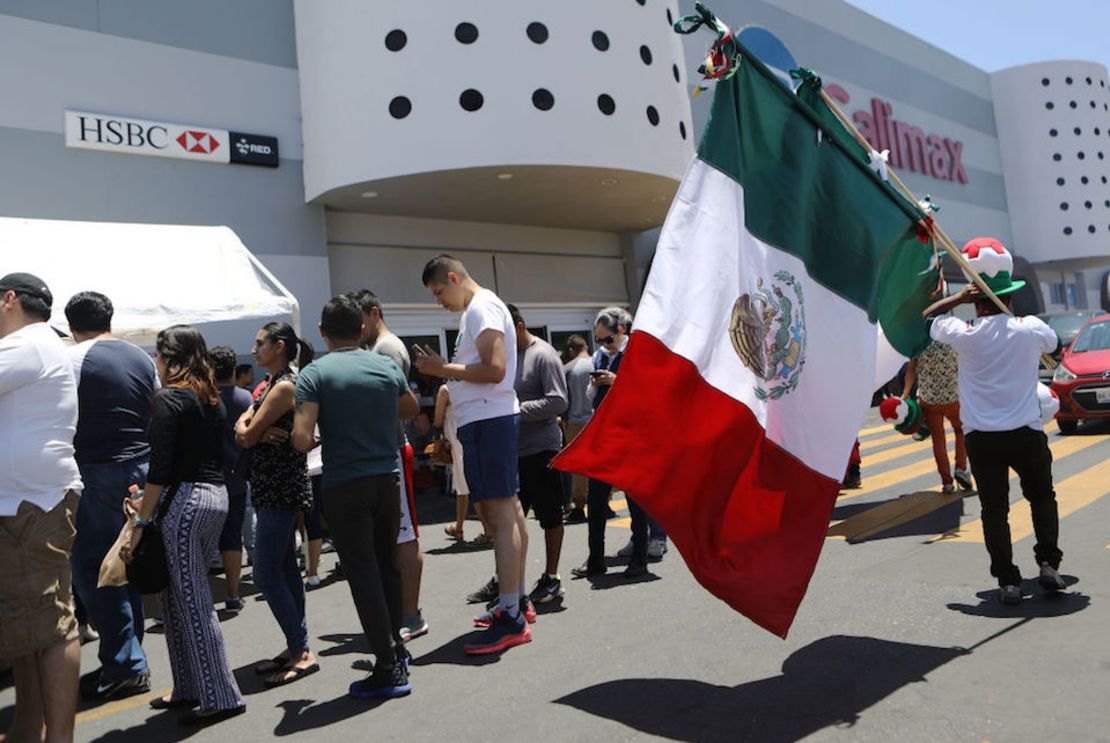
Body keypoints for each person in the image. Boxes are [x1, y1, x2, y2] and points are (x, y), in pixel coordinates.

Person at [923, 237, 1066, 605]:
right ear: (1010, 296)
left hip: (983, 439)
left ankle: (1008, 582)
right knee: (1042, 499)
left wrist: (958, 299)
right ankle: (1049, 565)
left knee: (994, 511)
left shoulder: (964, 335)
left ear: (976, 300)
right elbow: (1054, 346)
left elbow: (929, 318)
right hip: (1026, 433)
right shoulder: (1030, 328)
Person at [293, 295, 420, 699]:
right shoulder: (383, 365)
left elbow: (300, 438)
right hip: (386, 477)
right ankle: (396, 649)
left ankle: (387, 666)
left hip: (344, 483)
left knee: (361, 570)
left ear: (322, 331)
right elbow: (411, 408)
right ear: (362, 328)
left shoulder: (314, 373)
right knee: (387, 564)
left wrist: (322, 431)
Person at [121, 325, 244, 724]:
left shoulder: (170, 398)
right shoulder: (210, 398)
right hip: (215, 497)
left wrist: (140, 521)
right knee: (178, 600)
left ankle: (221, 694)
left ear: (170, 359)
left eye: (158, 356)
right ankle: (191, 687)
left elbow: (159, 469)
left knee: (191, 602)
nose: (155, 363)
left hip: (185, 504)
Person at [415, 255, 533, 655]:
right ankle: (516, 603)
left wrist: (441, 367)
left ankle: (512, 614)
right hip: (489, 419)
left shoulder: (482, 307)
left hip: (489, 419)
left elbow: (494, 369)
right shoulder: (482, 308)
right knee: (509, 511)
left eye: (438, 293)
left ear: (453, 277)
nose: (439, 302)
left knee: (499, 516)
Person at [0, 273, 83, 743]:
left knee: (49, 623)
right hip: (27, 501)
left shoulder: (27, 344)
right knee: (27, 622)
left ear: (9, 299)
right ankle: (29, 726)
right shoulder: (40, 345)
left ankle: (57, 737)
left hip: (33, 503)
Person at [64, 291, 158, 701]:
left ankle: (124, 665)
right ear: (110, 319)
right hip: (142, 466)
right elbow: (156, 407)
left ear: (71, 326)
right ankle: (125, 657)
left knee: (93, 568)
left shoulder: (73, 358)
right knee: (125, 562)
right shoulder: (139, 356)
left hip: (97, 470)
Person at [234, 323, 318, 687]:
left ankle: (301, 650)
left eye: (259, 344)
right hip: (271, 486)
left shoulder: (284, 384)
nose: (253, 350)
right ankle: (296, 645)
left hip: (280, 488)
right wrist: (249, 429)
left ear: (279, 346)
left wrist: (251, 431)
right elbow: (244, 429)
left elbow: (247, 434)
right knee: (284, 570)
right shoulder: (270, 383)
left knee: (266, 573)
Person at [348, 289, 428, 643]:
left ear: (374, 313)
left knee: (405, 536)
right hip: (382, 453)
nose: (356, 327)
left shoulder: (387, 349)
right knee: (395, 537)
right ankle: (400, 611)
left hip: (393, 451)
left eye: (359, 320)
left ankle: (411, 615)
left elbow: (394, 403)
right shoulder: (374, 349)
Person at [571, 307, 653, 579]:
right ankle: (596, 559)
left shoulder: (637, 352)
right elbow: (590, 394)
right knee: (595, 501)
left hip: (631, 435)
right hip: (603, 434)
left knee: (635, 500)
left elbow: (647, 392)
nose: (604, 345)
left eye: (607, 339)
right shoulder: (599, 356)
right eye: (599, 340)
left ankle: (639, 558)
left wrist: (617, 381)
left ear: (621, 331)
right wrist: (595, 384)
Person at [507, 304, 569, 605]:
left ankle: (552, 577)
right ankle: (507, 582)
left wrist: (518, 410)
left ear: (519, 326)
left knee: (550, 517)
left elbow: (558, 402)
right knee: (512, 521)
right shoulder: (507, 356)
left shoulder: (543, 354)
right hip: (514, 452)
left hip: (542, 449)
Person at [209, 346, 251, 615]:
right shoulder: (245, 398)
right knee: (232, 537)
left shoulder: (203, 399)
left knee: (202, 540)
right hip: (237, 475)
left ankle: (201, 596)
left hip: (207, 477)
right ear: (234, 370)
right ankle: (233, 595)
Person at [902, 342, 973, 494]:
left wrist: (905, 395)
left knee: (938, 439)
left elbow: (911, 371)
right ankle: (961, 468)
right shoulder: (953, 337)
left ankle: (947, 483)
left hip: (930, 400)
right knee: (961, 431)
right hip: (953, 397)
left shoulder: (918, 342)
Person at [434, 384, 493, 545]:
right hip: (473, 434)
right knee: (463, 485)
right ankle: (459, 527)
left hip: (456, 438)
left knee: (469, 484)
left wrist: (437, 439)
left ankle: (489, 531)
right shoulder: (472, 385)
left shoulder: (445, 390)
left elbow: (438, 420)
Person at [562, 335, 593, 524]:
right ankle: (603, 503)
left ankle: (579, 506)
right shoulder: (597, 363)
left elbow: (564, 398)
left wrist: (563, 419)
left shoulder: (568, 368)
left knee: (578, 467)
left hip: (575, 422)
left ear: (571, 350)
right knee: (599, 463)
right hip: (596, 419)